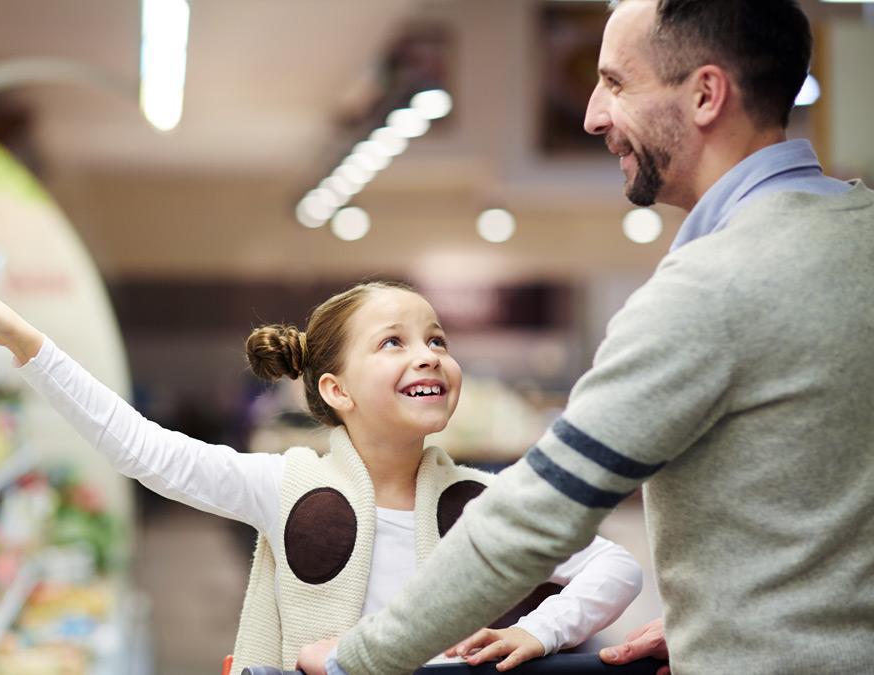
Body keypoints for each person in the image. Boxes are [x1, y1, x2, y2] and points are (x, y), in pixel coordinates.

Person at [298, 1, 874, 674]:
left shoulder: (707, 290)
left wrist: (357, 658)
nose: (593, 114)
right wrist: (723, 620)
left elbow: (534, 519)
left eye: (618, 83)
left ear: (706, 94)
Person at [0, 267, 643, 673]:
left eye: (437, 338)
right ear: (336, 389)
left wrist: (541, 630)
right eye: (393, 342)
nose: (428, 354)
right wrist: (27, 342)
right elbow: (142, 449)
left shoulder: (484, 501)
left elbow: (616, 565)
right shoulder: (286, 485)